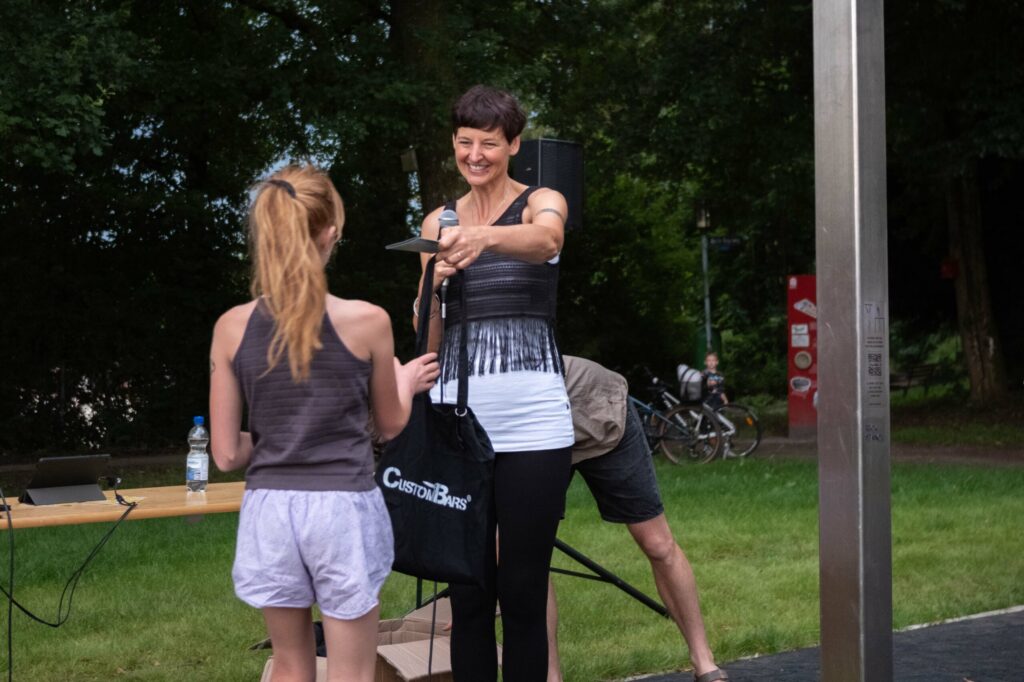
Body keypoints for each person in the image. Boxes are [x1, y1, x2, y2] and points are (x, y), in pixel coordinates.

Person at [209, 164, 439, 682]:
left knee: (290, 665)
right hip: (342, 511)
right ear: (330, 233)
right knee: (351, 671)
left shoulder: (230, 327)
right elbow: (391, 424)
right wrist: (402, 381)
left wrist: (280, 438)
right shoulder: (368, 321)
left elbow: (225, 454)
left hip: (271, 513)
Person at [413, 84, 574, 682]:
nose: (475, 155)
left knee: (524, 591)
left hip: (534, 424)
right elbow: (428, 332)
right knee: (469, 593)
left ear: (512, 145)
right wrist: (434, 285)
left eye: (488, 143)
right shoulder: (439, 220)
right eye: (464, 143)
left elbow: (548, 240)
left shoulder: (541, 202)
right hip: (458, 421)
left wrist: (481, 239)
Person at [547, 356, 728, 682]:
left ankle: (704, 660)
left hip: (596, 405)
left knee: (658, 543)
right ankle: (550, 675)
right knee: (528, 551)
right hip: (534, 431)